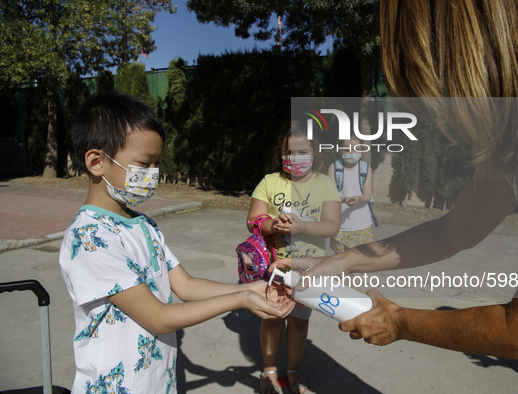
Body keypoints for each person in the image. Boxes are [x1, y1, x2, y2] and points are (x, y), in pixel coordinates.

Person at [275, 0, 518, 385]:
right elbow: (454, 231)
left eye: (428, 82)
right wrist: (341, 262)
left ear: (463, 51)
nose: (430, 111)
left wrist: (400, 322)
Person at [59, 91, 294, 394]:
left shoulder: (144, 224)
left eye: (157, 164)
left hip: (159, 383)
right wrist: (241, 300)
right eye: (144, 164)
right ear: (96, 162)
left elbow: (185, 286)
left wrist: (248, 287)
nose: (153, 174)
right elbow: (158, 317)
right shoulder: (90, 237)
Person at [247, 122, 340, 394]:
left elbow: (332, 225)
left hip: (309, 269)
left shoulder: (325, 184)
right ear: (281, 153)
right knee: (273, 317)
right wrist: (272, 224)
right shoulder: (269, 181)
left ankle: (293, 370)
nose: (295, 157)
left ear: (314, 152)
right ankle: (269, 371)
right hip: (274, 268)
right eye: (289, 151)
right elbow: (253, 219)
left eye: (303, 151)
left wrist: (302, 227)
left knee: (299, 320)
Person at [327, 137, 377, 255]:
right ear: (340, 149)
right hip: (339, 226)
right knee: (340, 265)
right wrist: (345, 200)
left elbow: (367, 195)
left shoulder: (365, 168)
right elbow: (331, 197)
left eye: (357, 149)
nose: (352, 153)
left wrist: (358, 199)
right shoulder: (333, 168)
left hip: (362, 225)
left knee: (357, 265)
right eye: (348, 150)